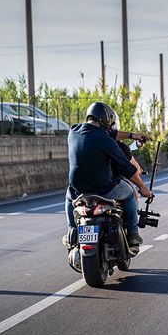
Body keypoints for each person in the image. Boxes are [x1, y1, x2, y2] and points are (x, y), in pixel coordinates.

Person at [64, 102, 153, 253]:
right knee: (130, 194)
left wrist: (132, 135)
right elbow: (127, 168)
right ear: (105, 119)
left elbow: (110, 134)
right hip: (104, 189)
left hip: (78, 189)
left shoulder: (73, 131)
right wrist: (143, 187)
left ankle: (72, 231)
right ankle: (132, 234)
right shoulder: (106, 140)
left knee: (68, 196)